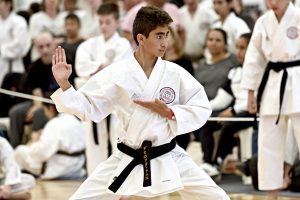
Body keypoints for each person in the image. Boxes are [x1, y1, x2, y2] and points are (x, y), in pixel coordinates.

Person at [51, 6, 230, 200]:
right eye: (159, 36)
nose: (165, 43)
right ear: (141, 39)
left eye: (167, 35)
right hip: (127, 155)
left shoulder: (174, 73)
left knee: (218, 197)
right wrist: (64, 83)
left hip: (168, 154)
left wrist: (170, 112)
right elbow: (87, 107)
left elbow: (202, 107)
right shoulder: (117, 74)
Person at [240, 0, 300, 199]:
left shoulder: (298, 16)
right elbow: (253, 59)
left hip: (298, 78)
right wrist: (250, 91)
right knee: (268, 143)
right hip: (272, 82)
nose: (272, 2)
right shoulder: (263, 22)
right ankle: (271, 192)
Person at [74, 2, 132, 175]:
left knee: (119, 141)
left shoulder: (123, 45)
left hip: (115, 104)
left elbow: (119, 71)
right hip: (94, 100)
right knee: (93, 143)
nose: (103, 26)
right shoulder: (88, 45)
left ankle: (120, 181)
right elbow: (80, 67)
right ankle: (95, 179)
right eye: (101, 22)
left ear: (117, 22)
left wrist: (96, 71)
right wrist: (102, 65)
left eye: (107, 22)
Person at [199, 33, 255, 177]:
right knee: (208, 120)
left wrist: (232, 111)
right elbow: (222, 99)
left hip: (252, 111)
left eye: (243, 48)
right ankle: (207, 163)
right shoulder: (234, 72)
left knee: (229, 124)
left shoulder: (259, 71)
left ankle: (218, 162)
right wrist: (201, 108)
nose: (239, 52)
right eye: (237, 48)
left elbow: (257, 98)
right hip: (235, 111)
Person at [14, 95, 86, 180]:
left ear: (51, 108)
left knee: (20, 150)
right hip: (77, 168)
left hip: (59, 169)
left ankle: (14, 180)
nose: (45, 114)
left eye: (44, 110)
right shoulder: (75, 120)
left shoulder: (54, 123)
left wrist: (35, 142)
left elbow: (42, 153)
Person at [8, 31, 58, 148]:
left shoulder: (65, 61)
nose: (45, 50)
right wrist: (37, 105)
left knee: (39, 113)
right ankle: (15, 149)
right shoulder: (34, 67)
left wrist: (39, 107)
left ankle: (36, 150)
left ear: (54, 45)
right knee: (15, 112)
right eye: (41, 47)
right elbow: (36, 90)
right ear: (36, 48)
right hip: (39, 100)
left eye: (48, 45)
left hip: (57, 102)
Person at [0, 0, 31, 86]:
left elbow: (20, 46)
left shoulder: (19, 21)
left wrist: (2, 49)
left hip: (13, 66)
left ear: (8, 4)